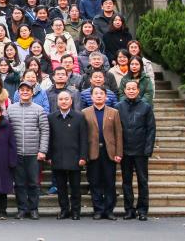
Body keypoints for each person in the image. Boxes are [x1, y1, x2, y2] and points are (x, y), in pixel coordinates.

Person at [6, 79, 49, 219]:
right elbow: (6, 129)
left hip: (34, 153)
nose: (25, 92)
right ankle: (22, 209)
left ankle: (34, 209)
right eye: (22, 90)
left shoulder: (39, 109)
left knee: (33, 183)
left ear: (32, 93)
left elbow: (45, 131)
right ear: (18, 92)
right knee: (19, 184)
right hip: (17, 153)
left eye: (28, 90)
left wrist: (42, 150)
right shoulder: (10, 109)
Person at [83, 86, 123, 220]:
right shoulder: (85, 112)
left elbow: (118, 134)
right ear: (91, 97)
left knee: (110, 182)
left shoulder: (114, 112)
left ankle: (109, 210)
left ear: (106, 97)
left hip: (109, 152)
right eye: (96, 93)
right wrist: (83, 154)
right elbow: (82, 135)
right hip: (92, 152)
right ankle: (98, 210)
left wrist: (119, 153)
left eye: (101, 93)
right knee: (94, 182)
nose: (99, 96)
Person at [117, 80, 156, 221]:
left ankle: (143, 210)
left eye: (134, 88)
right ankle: (129, 210)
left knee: (142, 181)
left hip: (141, 151)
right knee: (126, 182)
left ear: (138, 90)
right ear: (125, 91)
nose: (131, 91)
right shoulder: (118, 107)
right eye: (129, 88)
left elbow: (151, 129)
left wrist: (148, 149)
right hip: (125, 150)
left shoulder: (146, 107)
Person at [47, 89, 88, 220]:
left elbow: (84, 138)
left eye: (66, 99)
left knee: (75, 187)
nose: (63, 101)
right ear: (57, 102)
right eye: (61, 99)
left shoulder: (79, 117)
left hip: (75, 158)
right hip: (57, 157)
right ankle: (64, 210)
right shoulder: (51, 118)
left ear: (71, 101)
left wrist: (83, 156)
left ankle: (76, 211)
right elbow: (49, 138)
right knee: (61, 187)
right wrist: (49, 156)